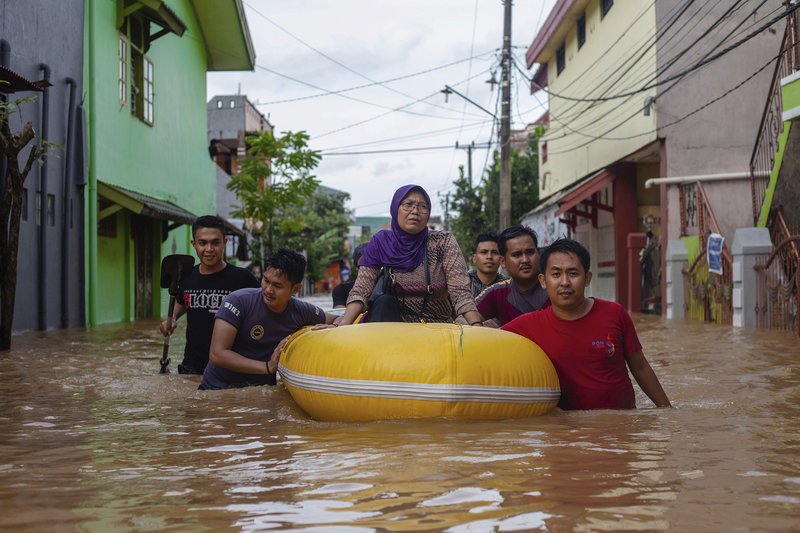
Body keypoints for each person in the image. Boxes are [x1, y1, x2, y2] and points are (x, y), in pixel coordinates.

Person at [501, 238, 672, 410]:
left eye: (573, 273)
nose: (565, 282)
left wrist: (667, 410)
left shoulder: (615, 314)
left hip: (621, 426)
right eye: (556, 274)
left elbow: (640, 367)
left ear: (587, 278)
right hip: (568, 429)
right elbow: (489, 342)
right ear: (543, 281)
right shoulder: (528, 325)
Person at [339, 184, 482, 325]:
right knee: (384, 302)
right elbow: (362, 289)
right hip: (392, 326)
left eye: (422, 206)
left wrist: (476, 325)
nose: (415, 211)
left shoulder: (443, 241)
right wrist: (342, 326)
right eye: (408, 204)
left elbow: (460, 291)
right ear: (395, 209)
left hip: (437, 326)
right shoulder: (381, 242)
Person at [200, 249, 337, 390]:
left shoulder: (301, 311)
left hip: (261, 392)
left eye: (277, 286)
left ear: (295, 288)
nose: (268, 290)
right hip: (216, 390)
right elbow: (217, 354)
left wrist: (333, 327)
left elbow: (337, 319)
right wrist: (267, 367)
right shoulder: (238, 301)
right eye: (266, 280)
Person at [159, 215, 259, 374]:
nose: (209, 249)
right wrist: (171, 320)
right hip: (191, 367)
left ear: (225, 242)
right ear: (194, 244)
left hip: (230, 369)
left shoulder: (243, 278)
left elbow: (264, 310)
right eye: (203, 243)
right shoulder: (186, 276)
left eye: (215, 242)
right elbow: (183, 301)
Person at [475, 225, 549, 326]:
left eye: (530, 252)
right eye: (517, 255)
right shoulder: (497, 293)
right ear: (503, 261)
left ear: (538, 254)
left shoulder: (555, 287)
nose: (525, 260)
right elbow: (466, 318)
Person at [467, 230, 507, 297]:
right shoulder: (463, 282)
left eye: (494, 252)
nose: (489, 257)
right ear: (474, 258)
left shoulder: (507, 286)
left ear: (501, 259)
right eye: (484, 252)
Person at [332, 242, 369, 308]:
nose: (367, 270)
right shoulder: (342, 290)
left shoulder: (387, 291)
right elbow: (339, 314)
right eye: (363, 266)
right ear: (356, 268)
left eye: (374, 266)